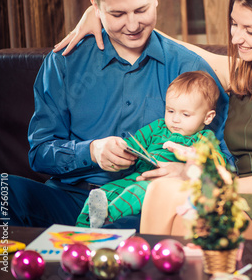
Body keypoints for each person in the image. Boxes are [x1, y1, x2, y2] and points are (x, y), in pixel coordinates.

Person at [56, 0, 252, 262]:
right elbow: (177, 46)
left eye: (250, 30)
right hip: (241, 194)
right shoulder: (241, 73)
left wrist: (205, 183)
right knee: (163, 190)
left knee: (188, 220)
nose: (236, 38)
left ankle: (147, 268)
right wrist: (100, 17)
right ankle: (151, 269)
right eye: (234, 24)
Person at [0, 0, 228, 229]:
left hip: (144, 204)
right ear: (96, 7)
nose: (132, 25)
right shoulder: (64, 63)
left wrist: (187, 171)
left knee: (125, 227)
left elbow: (224, 161)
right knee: (1, 188)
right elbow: (39, 153)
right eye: (117, 14)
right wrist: (90, 151)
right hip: (71, 198)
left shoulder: (189, 68)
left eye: (141, 10)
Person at [76, 71, 224, 228]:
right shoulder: (158, 127)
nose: (175, 119)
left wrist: (190, 155)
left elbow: (218, 165)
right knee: (104, 192)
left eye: (185, 114)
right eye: (170, 111)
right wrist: (121, 149)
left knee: (141, 191)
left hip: (165, 186)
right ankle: (82, 230)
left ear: (208, 117)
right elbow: (134, 143)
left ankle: (107, 219)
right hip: (136, 177)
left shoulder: (204, 139)